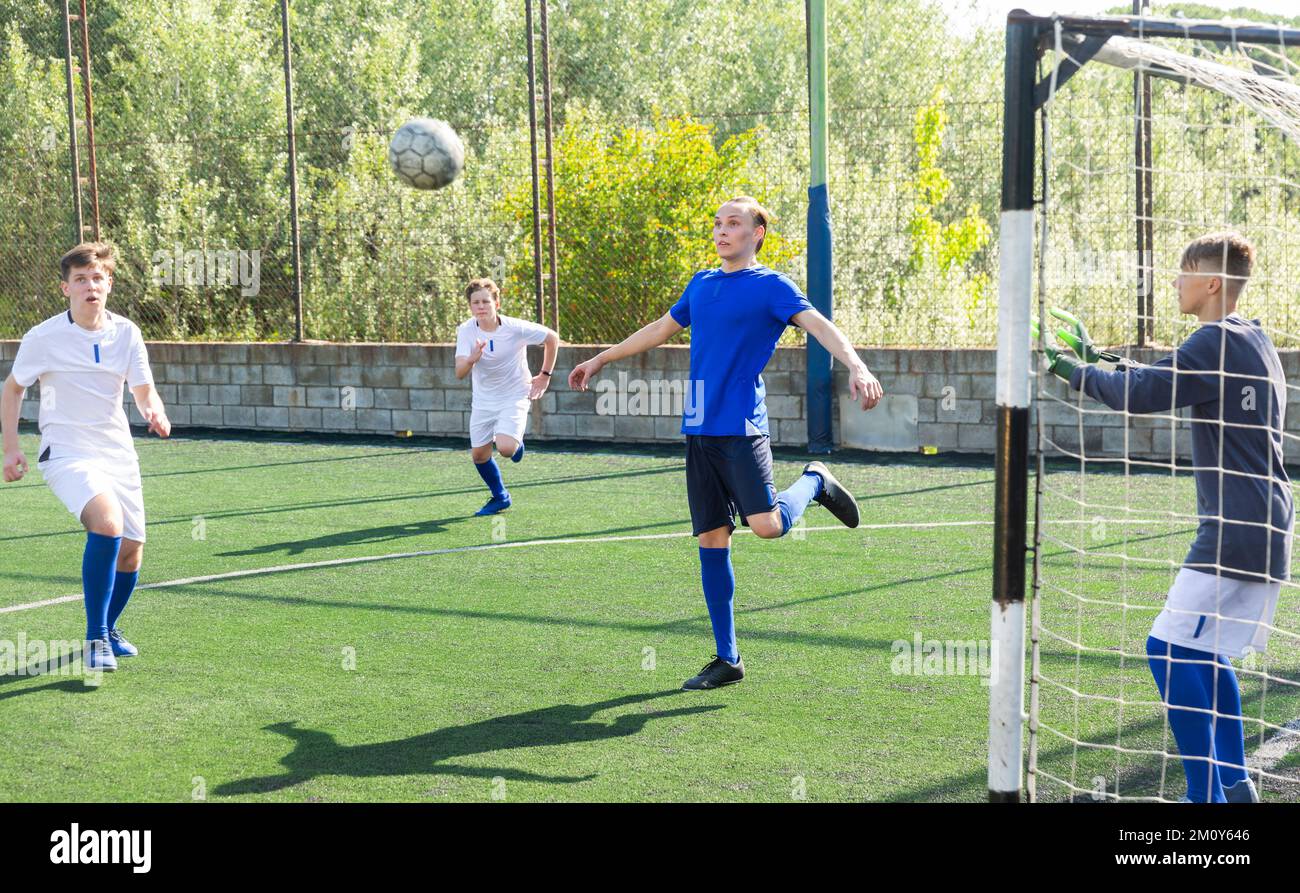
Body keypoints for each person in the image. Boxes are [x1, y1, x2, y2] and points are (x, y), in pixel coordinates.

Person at [569, 196, 884, 690]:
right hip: (698, 428)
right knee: (711, 538)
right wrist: (602, 358)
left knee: (767, 526)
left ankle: (815, 482)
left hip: (741, 426)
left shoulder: (771, 286)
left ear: (757, 233)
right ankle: (728, 658)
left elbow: (819, 325)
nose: (721, 231)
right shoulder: (702, 283)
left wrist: (858, 366)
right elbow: (660, 328)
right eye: (717, 223)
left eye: (733, 223)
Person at [1041, 232, 1293, 802]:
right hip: (1269, 522)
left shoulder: (1212, 341)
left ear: (1210, 282)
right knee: (1206, 652)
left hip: (1236, 526)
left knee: (1167, 647)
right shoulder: (1252, 337)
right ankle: (1234, 783)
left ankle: (1205, 799)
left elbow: (1141, 394)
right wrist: (1099, 358)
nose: (1175, 284)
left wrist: (1070, 370)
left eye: (1184, 272)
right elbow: (1164, 375)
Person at [1, 242, 172, 672]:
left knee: (132, 550)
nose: (90, 286)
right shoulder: (43, 338)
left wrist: (154, 408)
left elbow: (142, 387)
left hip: (117, 451)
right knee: (107, 524)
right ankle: (95, 639)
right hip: (66, 452)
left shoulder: (127, 333)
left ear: (109, 284)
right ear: (66, 288)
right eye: (80, 280)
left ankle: (109, 628)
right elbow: (12, 389)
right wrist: (10, 447)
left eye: (97, 278)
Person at [454, 278, 559, 516]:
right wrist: (472, 358)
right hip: (483, 400)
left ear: (496, 303)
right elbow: (460, 372)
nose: (481, 306)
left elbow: (552, 338)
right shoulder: (466, 330)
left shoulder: (514, 328)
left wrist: (544, 375)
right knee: (479, 455)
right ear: (470, 306)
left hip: (514, 395)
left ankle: (517, 442)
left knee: (506, 449)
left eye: (485, 301)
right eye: (475, 302)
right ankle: (500, 497)